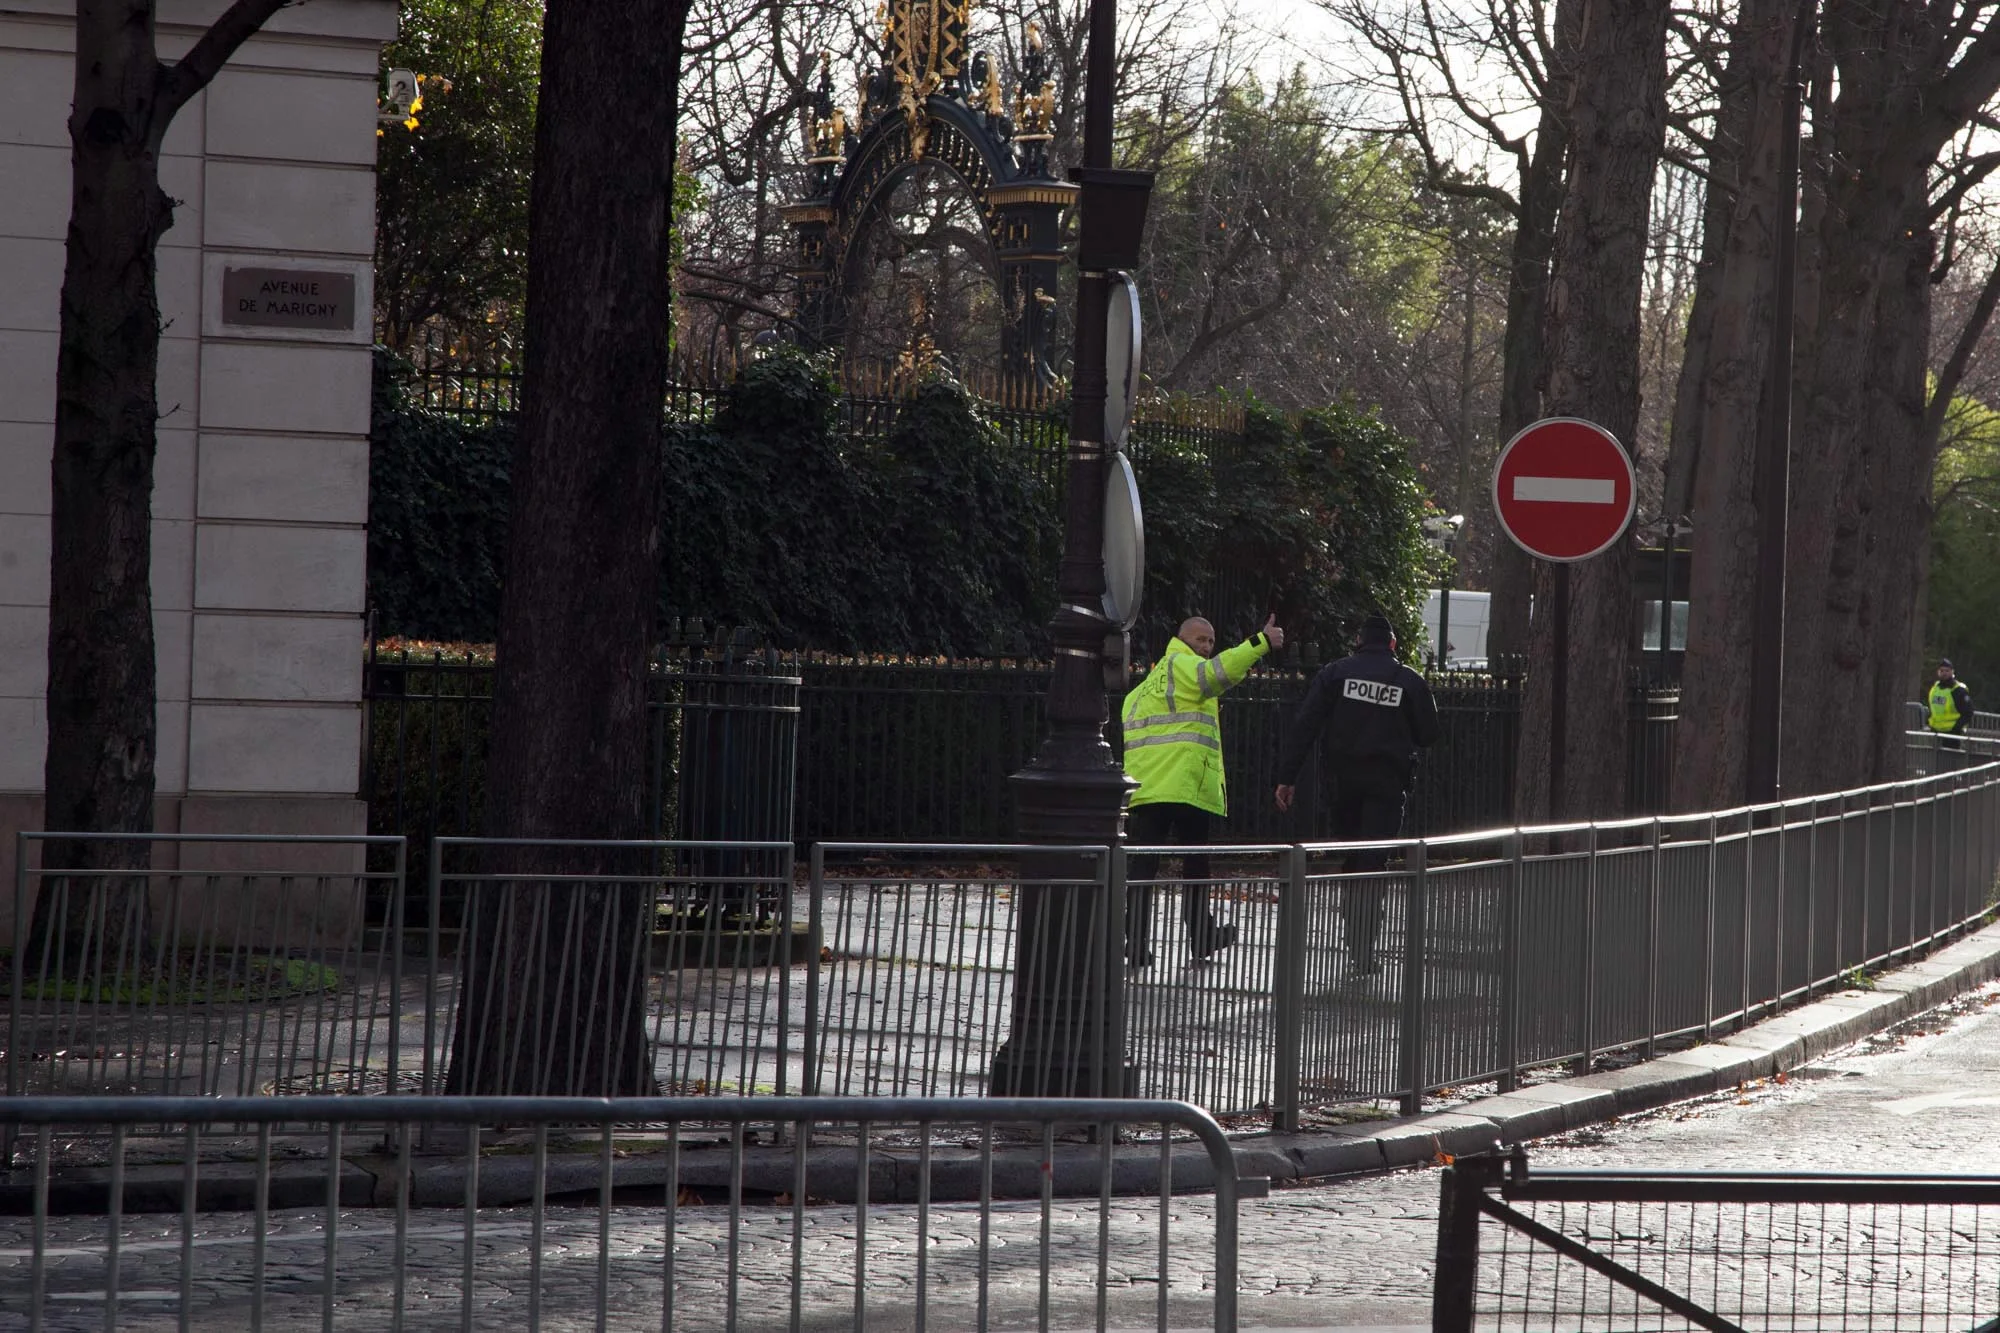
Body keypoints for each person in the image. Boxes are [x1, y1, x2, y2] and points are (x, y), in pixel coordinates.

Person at [1272, 612, 1439, 975]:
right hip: (1387, 785)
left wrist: (1287, 777)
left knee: (1351, 858)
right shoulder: (1407, 680)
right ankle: (1364, 949)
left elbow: (1305, 726)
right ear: (1393, 645)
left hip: (1342, 784)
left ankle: (1354, 938)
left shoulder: (1335, 673)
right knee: (1373, 863)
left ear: (1358, 643)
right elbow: (1429, 734)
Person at [1121, 613, 1284, 966]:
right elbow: (1215, 675)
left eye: (1211, 642)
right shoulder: (1182, 665)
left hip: (1149, 789)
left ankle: (1136, 943)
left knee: (1143, 868)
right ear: (1182, 640)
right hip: (1184, 785)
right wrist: (1260, 643)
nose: (1207, 648)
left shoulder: (1147, 685)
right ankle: (1201, 936)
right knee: (1196, 866)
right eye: (1201, 640)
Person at [1929, 659, 1973, 764]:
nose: (1944, 673)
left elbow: (1968, 712)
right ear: (1938, 672)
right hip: (1936, 733)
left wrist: (1956, 728)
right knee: (1935, 763)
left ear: (1952, 672)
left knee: (1949, 765)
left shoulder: (1958, 690)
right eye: (1942, 671)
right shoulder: (1935, 688)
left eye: (1947, 671)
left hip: (1951, 734)